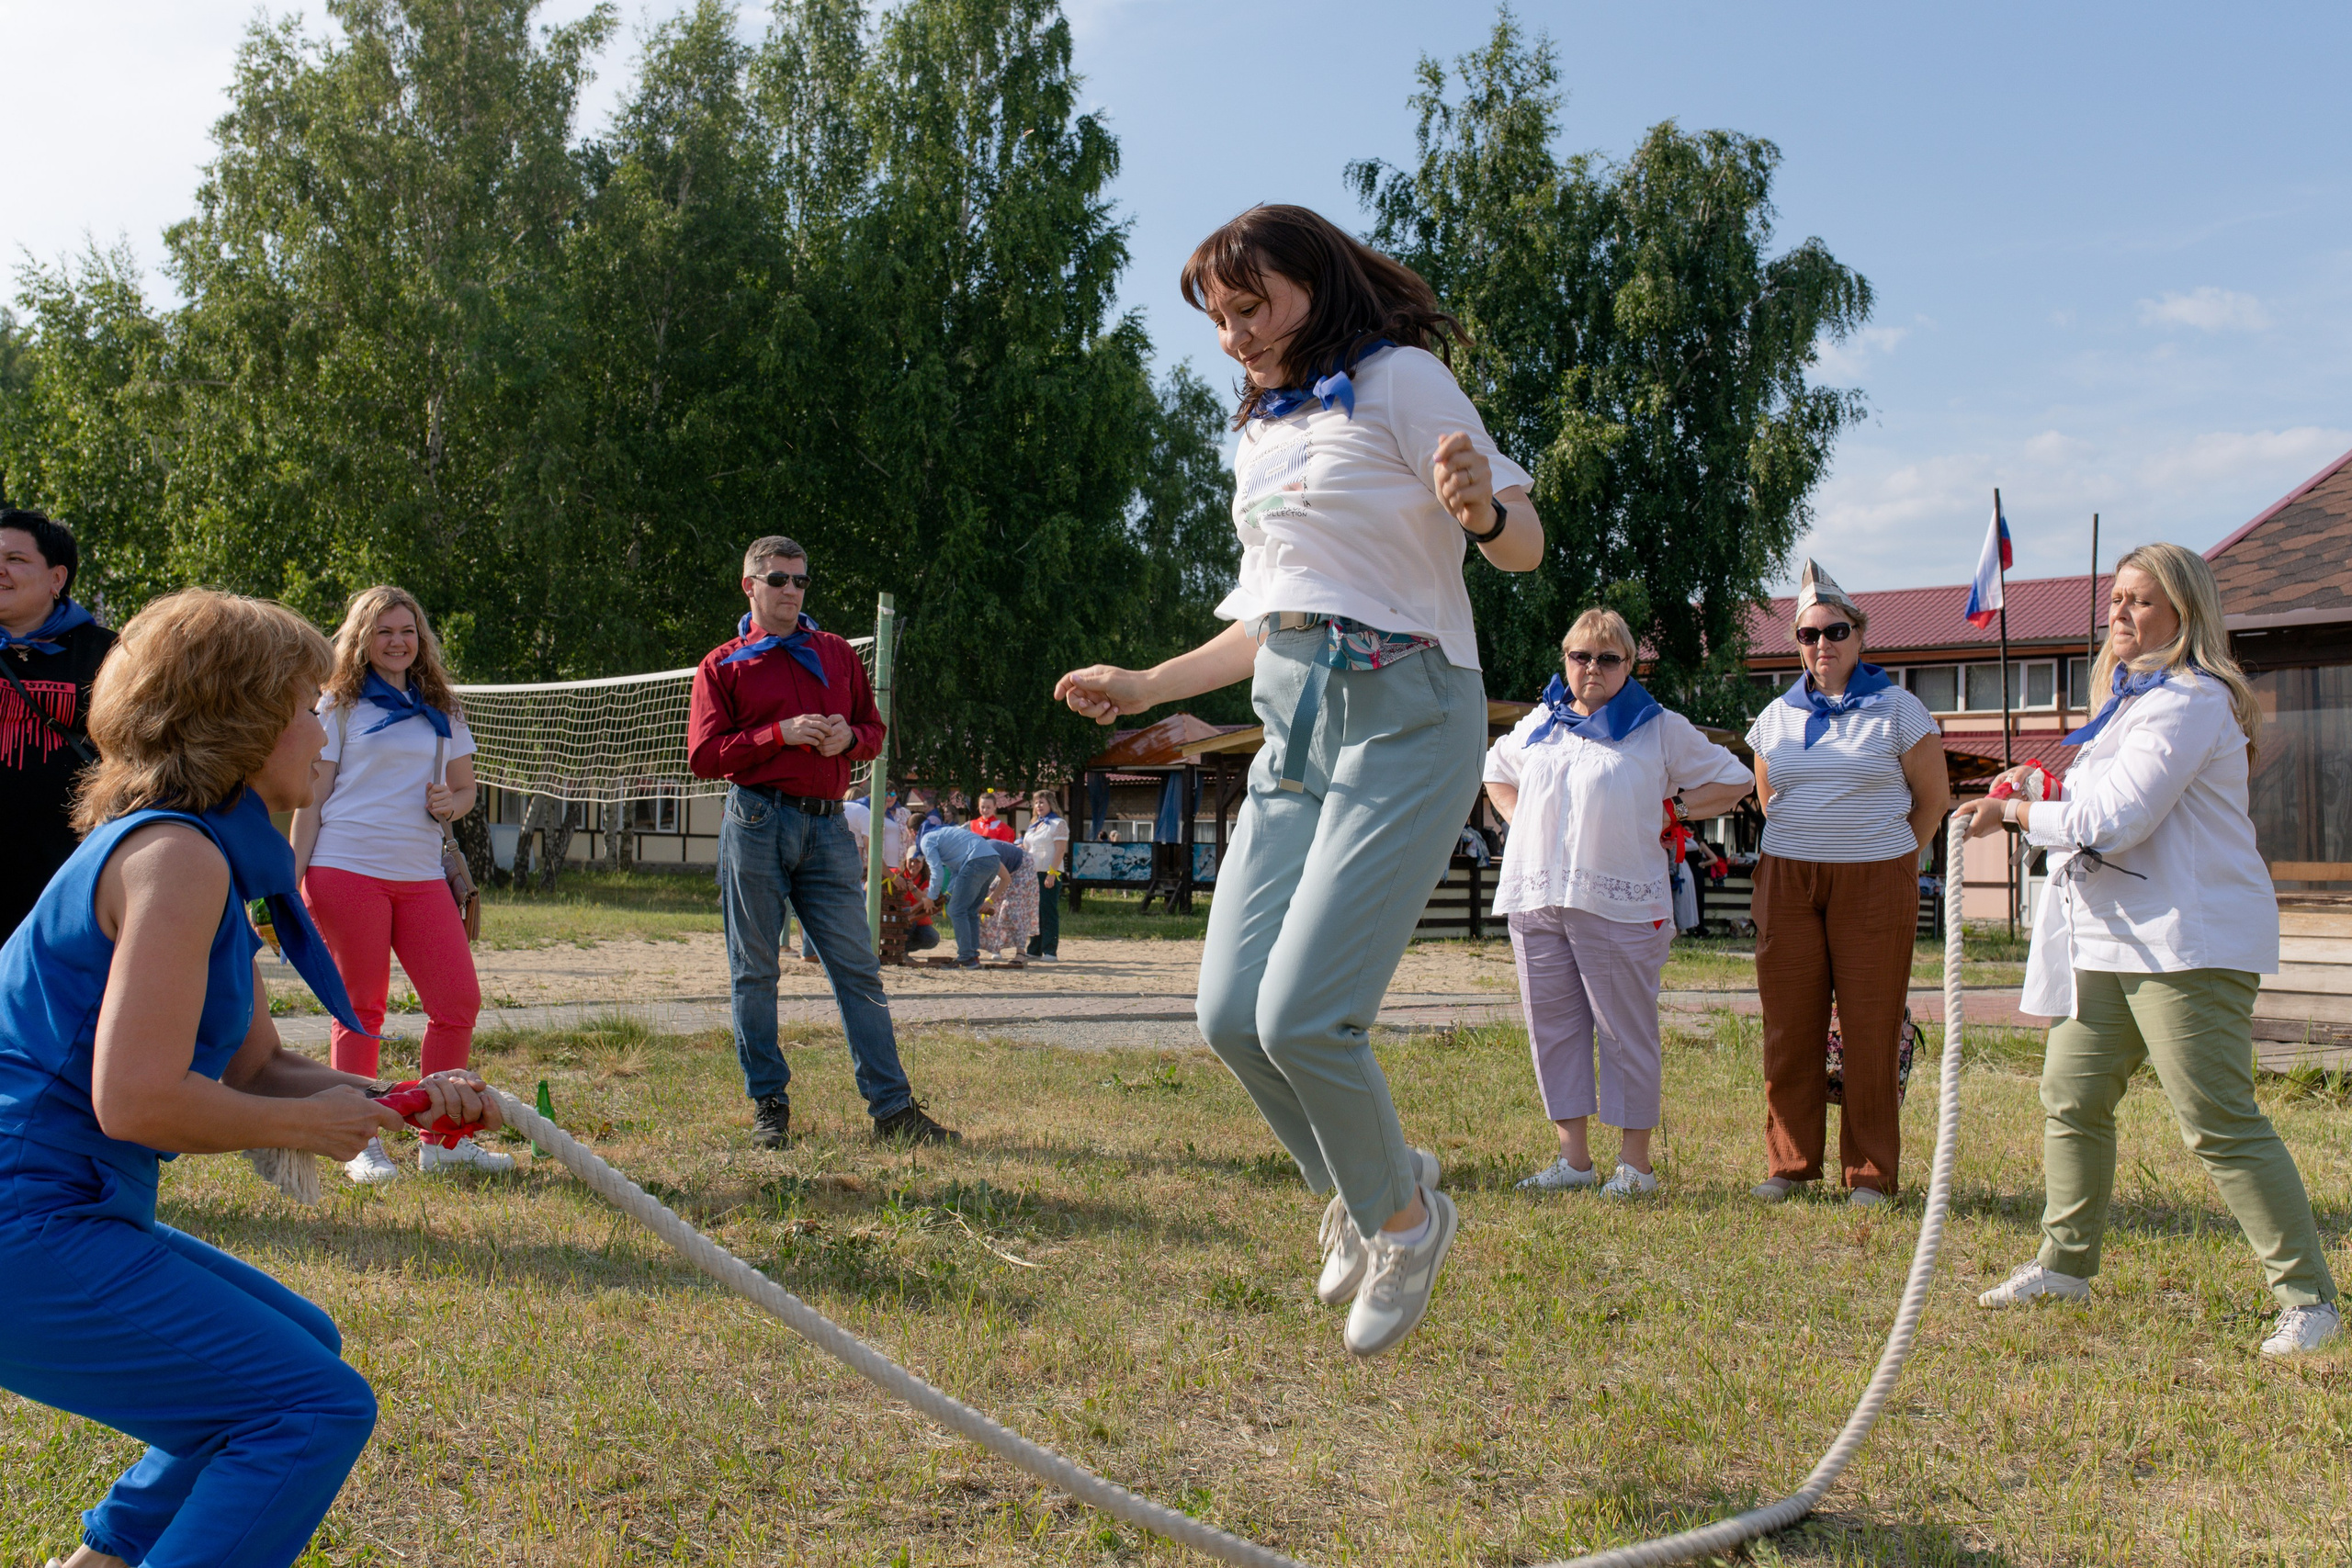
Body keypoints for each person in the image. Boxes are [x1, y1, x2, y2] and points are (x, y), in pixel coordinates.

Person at [1055, 204, 1545, 1357]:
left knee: (1305, 1016)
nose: (1234, 334)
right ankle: (1380, 1182)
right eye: (1217, 319)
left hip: (1407, 718)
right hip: (1292, 728)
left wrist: (1478, 509)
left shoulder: (1400, 380)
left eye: (1252, 305)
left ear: (1314, 284)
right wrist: (1144, 683)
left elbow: (1520, 539)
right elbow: (1267, 616)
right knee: (1230, 1015)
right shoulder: (1261, 431)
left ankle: (1404, 1220)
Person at [0, 588, 501, 1568]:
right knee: (311, 1407)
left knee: (304, 1348)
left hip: (63, 1213)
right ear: (238, 716)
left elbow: (256, 1064)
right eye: (307, 703)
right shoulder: (177, 858)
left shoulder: (197, 854)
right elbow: (136, 1099)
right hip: (27, 1226)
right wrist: (310, 1131)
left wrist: (393, 1101)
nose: (326, 727)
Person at [1962, 545, 2339, 1358]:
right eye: (2117, 599)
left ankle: (2311, 1300)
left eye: (2141, 601)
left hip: (2185, 943)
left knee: (2217, 1121)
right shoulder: (2130, 703)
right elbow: (2099, 802)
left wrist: (2026, 819)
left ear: (2184, 615)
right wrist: (2040, 790)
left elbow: (2120, 820)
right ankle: (2064, 1265)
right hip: (2111, 940)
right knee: (2071, 1092)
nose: (2120, 613)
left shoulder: (2190, 700)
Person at [688, 536, 956, 1148]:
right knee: (754, 971)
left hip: (828, 826)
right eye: (778, 579)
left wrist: (848, 739)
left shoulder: (835, 654)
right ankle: (769, 1107)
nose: (791, 590)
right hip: (755, 821)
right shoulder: (723, 664)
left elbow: (873, 731)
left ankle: (893, 1111)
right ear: (749, 585)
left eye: (801, 581)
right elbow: (704, 755)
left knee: (859, 969)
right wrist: (776, 734)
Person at [1482, 609, 1755, 1198]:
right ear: (1566, 661)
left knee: (1624, 1031)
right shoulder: (1541, 724)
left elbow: (1735, 779)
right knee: (1552, 1028)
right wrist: (1520, 819)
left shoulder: (1656, 727)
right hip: (1539, 897)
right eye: (1581, 656)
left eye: (1608, 658)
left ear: (1629, 666)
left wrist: (1673, 810)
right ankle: (1573, 1161)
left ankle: (1636, 1166)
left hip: (1619, 898)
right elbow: (1494, 770)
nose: (1592, 669)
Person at [1745, 560, 1949, 1207]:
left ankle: (1869, 1172)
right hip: (1789, 880)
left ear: (1859, 635)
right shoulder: (1775, 717)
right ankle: (1792, 1163)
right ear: (1797, 645)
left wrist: (1892, 858)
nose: (1822, 646)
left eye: (1835, 632)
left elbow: (1933, 799)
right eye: (1809, 636)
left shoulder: (1899, 709)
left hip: (1875, 880)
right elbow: (1767, 793)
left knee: (1870, 1025)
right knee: (1789, 1025)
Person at [290, 585, 506, 1183]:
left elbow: (465, 790)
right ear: (362, 638)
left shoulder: (442, 705)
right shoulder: (338, 703)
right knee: (361, 1010)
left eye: (407, 630)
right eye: (384, 630)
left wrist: (451, 801)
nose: (397, 641)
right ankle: (358, 1140)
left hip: (419, 874)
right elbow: (311, 800)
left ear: (421, 638)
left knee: (457, 1001)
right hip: (345, 868)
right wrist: (290, 879)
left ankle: (445, 1139)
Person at [0, 509, 116, 943]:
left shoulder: (108, 655)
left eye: (16, 559)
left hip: (69, 872)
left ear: (57, 578)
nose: (1, 571)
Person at [911, 822, 1027, 967]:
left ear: (913, 832)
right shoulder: (945, 834)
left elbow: (937, 872)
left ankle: (966, 958)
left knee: (956, 910)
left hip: (976, 861)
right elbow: (956, 872)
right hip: (992, 860)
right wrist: (947, 895)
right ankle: (972, 956)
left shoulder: (926, 840)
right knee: (971, 910)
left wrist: (931, 897)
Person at [1023, 789, 1070, 962]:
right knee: (1034, 912)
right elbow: (1029, 847)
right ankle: (1034, 949)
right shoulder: (1034, 825)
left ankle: (1050, 950)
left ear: (1051, 803)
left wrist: (1052, 873)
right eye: (1036, 803)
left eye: (1042, 802)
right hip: (1033, 873)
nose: (1038, 806)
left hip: (1049, 872)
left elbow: (1059, 850)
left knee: (1048, 911)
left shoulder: (1058, 824)